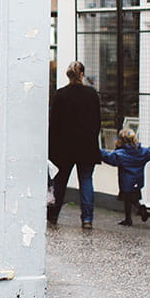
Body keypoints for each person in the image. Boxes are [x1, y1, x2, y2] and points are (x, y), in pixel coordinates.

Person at [47, 61, 102, 229]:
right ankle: (87, 219)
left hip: (64, 147)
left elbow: (54, 123)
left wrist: (51, 148)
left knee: (60, 181)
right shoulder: (91, 94)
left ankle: (53, 214)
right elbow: (97, 121)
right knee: (86, 180)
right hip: (86, 145)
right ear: (82, 74)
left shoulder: (60, 94)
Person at [99, 128, 150, 226]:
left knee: (128, 200)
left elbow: (108, 157)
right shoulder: (142, 152)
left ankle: (132, 216)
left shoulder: (120, 154)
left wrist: (98, 150)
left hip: (126, 182)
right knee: (133, 199)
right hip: (137, 181)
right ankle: (134, 214)